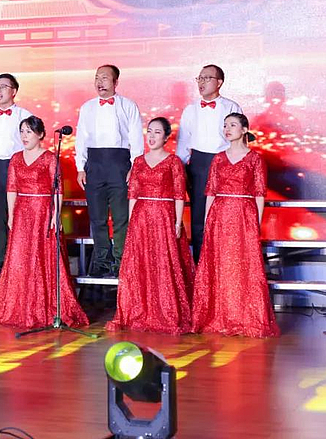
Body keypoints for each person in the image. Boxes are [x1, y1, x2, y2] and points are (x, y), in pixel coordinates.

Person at [0, 116, 89, 329]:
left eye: (29, 131)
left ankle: (47, 306)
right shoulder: (16, 158)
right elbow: (11, 188)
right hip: (22, 212)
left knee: (44, 257)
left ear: (40, 134)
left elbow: (57, 190)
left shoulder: (50, 158)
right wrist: (12, 215)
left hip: (43, 211)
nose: (24, 136)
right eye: (22, 131)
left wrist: (56, 215)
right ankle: (21, 306)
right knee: (21, 258)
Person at [191, 113, 279, 337]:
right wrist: (207, 221)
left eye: (232, 125)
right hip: (219, 216)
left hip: (243, 215)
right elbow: (211, 192)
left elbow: (259, 194)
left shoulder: (255, 159)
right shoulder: (218, 159)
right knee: (220, 264)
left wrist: (256, 223)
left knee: (242, 265)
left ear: (244, 129)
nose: (227, 129)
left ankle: (244, 316)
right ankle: (219, 316)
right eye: (225, 125)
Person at [106, 117, 194, 334]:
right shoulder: (138, 162)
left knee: (163, 263)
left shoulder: (173, 162)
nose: (152, 136)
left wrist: (177, 222)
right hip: (142, 218)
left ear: (166, 137)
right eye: (150, 131)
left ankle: (166, 310)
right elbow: (133, 194)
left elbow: (178, 195)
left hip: (164, 217)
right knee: (142, 263)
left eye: (157, 132)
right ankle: (140, 309)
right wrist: (131, 222)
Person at [75, 64, 143, 277]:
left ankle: (121, 261)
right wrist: (80, 167)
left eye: (105, 78)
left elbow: (136, 138)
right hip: (94, 163)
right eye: (97, 78)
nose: (100, 82)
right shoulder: (87, 107)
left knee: (122, 216)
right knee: (97, 217)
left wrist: (135, 166)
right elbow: (81, 138)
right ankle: (102, 261)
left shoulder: (128, 105)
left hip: (119, 163)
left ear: (115, 82)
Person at [176, 64, 242, 262]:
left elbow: (239, 141)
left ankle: (225, 263)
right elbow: (183, 143)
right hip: (198, 165)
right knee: (198, 217)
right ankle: (200, 265)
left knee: (225, 215)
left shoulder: (231, 107)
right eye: (199, 78)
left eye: (207, 78)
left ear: (219, 82)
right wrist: (181, 172)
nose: (202, 82)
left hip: (225, 165)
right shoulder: (190, 110)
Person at [0, 73, 33, 275]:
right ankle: (0, 261)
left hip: (18, 168)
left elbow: (31, 144)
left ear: (14, 91)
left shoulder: (25, 116)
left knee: (19, 218)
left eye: (3, 87)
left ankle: (20, 262)